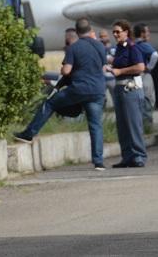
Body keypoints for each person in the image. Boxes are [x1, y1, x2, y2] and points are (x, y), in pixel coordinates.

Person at [14, 18, 108, 170]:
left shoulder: (74, 48)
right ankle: (98, 162)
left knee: (50, 103)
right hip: (98, 90)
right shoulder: (100, 46)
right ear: (90, 30)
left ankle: (29, 134)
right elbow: (103, 68)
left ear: (76, 32)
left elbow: (66, 71)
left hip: (79, 88)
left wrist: (66, 68)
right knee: (95, 125)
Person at [107, 19, 147, 168]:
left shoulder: (132, 47)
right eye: (114, 32)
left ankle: (139, 156)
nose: (116, 34)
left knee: (133, 124)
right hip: (120, 89)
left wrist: (120, 71)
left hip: (130, 89)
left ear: (126, 32)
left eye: (118, 31)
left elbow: (140, 67)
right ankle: (127, 156)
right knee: (122, 125)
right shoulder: (119, 48)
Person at [132, 23, 158, 129]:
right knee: (148, 99)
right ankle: (148, 126)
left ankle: (142, 125)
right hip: (144, 75)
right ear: (142, 33)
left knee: (139, 99)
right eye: (147, 31)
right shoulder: (143, 45)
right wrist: (149, 67)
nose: (149, 34)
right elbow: (155, 55)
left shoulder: (134, 45)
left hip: (136, 76)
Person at [98, 27, 116, 104]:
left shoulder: (114, 48)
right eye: (101, 37)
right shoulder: (98, 48)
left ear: (108, 36)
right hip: (101, 78)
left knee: (116, 97)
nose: (103, 38)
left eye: (104, 36)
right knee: (100, 98)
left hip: (112, 77)